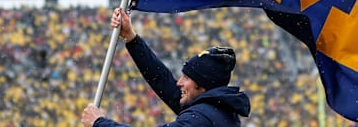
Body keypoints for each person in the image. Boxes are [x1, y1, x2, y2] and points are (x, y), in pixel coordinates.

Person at [82, 8, 251, 127]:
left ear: (202, 85)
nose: (179, 82)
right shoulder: (212, 110)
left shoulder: (199, 119)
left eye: (187, 78)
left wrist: (99, 123)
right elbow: (162, 80)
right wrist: (131, 38)